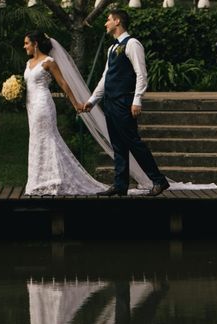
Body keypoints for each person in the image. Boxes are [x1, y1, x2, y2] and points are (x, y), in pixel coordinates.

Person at [83, 10, 170, 197]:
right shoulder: (112, 48)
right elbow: (105, 78)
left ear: (117, 21)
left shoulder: (132, 44)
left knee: (133, 142)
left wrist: (137, 99)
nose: (105, 24)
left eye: (108, 20)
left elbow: (141, 74)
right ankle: (120, 184)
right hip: (110, 102)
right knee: (118, 145)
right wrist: (92, 100)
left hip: (124, 101)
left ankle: (159, 180)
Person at [23, 31, 107, 195]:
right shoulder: (28, 63)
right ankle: (38, 181)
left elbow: (63, 83)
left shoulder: (49, 62)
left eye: (27, 43)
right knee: (35, 139)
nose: (24, 46)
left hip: (42, 104)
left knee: (47, 137)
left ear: (36, 44)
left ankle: (53, 180)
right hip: (30, 106)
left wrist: (75, 103)